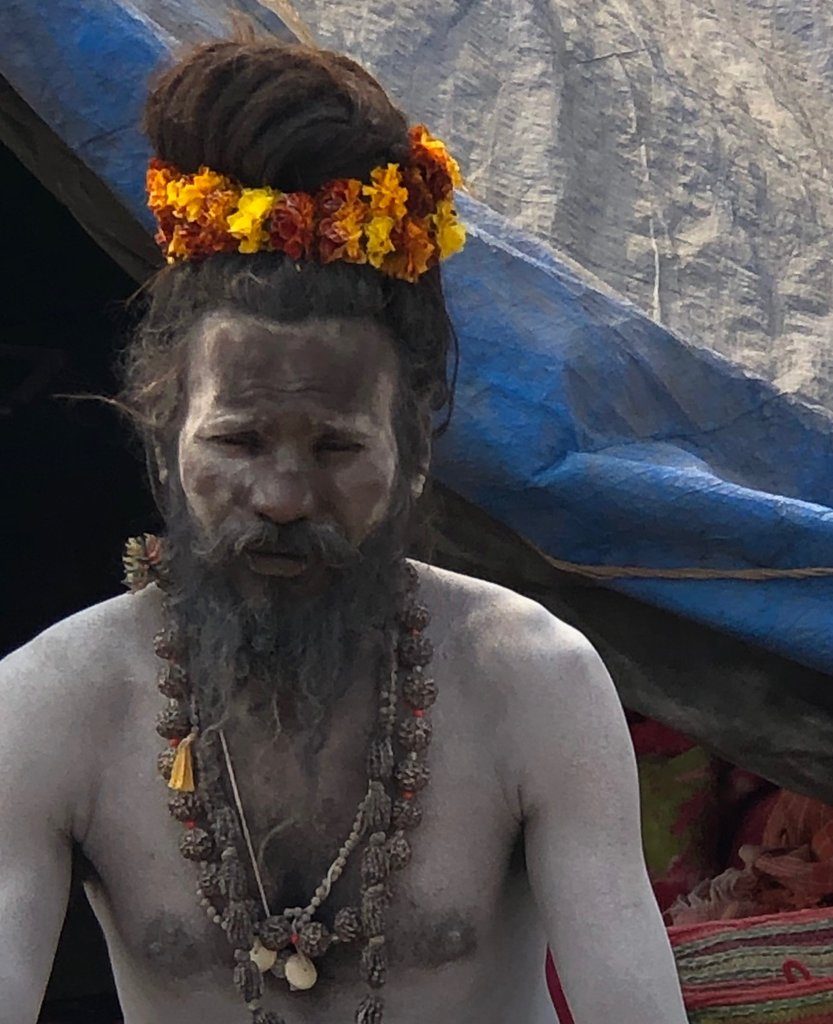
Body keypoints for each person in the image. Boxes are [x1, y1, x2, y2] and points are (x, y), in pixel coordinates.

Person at [0, 39, 688, 1024]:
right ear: (162, 447)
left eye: (333, 447)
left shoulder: (535, 681)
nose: (281, 495)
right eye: (235, 441)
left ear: (411, 452)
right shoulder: (49, 704)